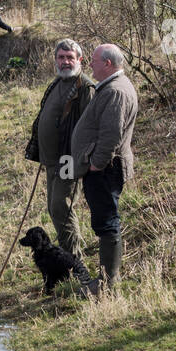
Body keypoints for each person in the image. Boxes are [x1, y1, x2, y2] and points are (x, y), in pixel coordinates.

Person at [70, 44, 138, 291]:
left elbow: (111, 135)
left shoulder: (116, 92)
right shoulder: (111, 88)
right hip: (104, 167)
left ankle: (107, 283)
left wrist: (96, 164)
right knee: (104, 220)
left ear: (108, 64)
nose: (90, 65)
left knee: (107, 221)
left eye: (95, 61)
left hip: (106, 169)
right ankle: (106, 280)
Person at [26, 39, 96, 260]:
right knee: (53, 207)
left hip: (68, 159)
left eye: (70, 58)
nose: (65, 62)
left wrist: (81, 158)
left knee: (60, 206)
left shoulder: (85, 87)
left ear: (79, 60)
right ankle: (67, 256)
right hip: (51, 159)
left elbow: (90, 125)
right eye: (61, 57)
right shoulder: (57, 83)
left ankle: (74, 260)